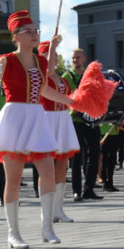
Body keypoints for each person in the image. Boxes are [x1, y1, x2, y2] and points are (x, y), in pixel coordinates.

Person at [0, 12, 77, 249]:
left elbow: (44, 90)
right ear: (16, 36)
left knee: (48, 172)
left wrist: (72, 101)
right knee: (13, 180)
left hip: (36, 117)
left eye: (36, 31)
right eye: (29, 31)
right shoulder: (6, 60)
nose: (34, 35)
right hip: (14, 118)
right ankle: (13, 233)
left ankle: (47, 228)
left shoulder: (41, 62)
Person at [37, 40, 80, 224]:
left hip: (62, 119)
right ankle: (45, 210)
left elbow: (70, 98)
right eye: (48, 55)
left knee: (62, 165)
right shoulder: (41, 77)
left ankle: (58, 209)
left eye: (54, 55)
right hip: (46, 119)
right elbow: (46, 72)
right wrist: (52, 46)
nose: (52, 58)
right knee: (46, 168)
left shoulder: (62, 79)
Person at [61, 49, 101, 201]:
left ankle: (89, 189)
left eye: (77, 58)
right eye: (73, 58)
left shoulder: (90, 75)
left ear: (84, 58)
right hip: (75, 120)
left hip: (91, 119)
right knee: (77, 157)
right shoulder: (67, 76)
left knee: (94, 153)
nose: (75, 60)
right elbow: (66, 96)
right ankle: (76, 191)